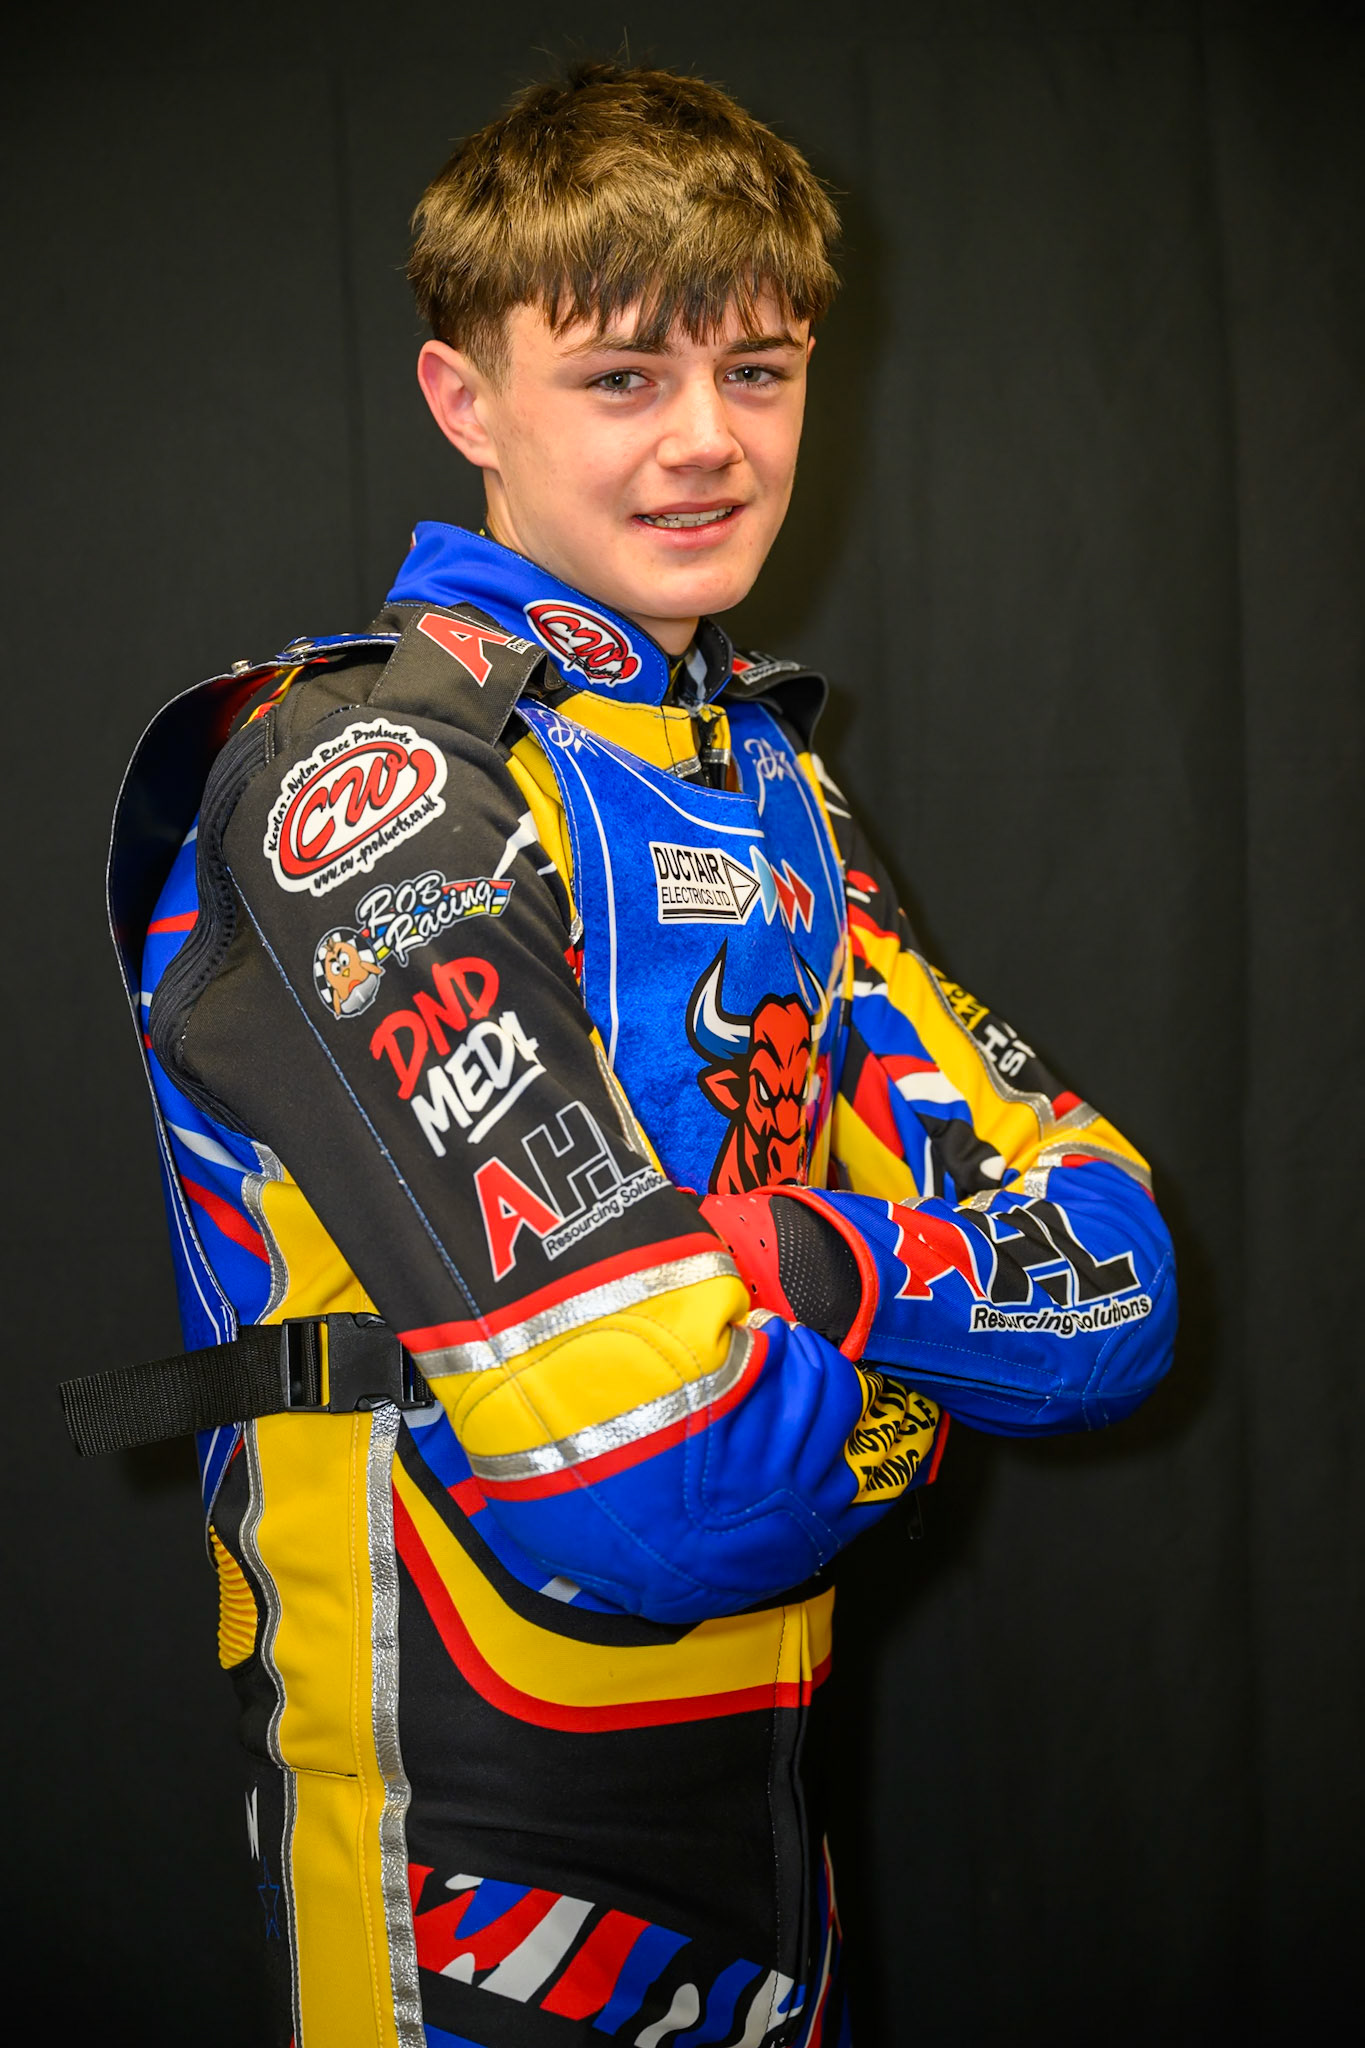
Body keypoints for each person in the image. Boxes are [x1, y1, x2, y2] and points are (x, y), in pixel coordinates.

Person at [89, 62, 1175, 2048]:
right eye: (619, 379)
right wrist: (917, 1376)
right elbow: (665, 1496)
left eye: (755, 371)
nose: (705, 441)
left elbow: (1116, 1279)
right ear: (463, 400)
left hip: (766, 1836)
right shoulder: (375, 784)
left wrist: (807, 1267)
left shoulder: (770, 792)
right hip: (466, 1873)